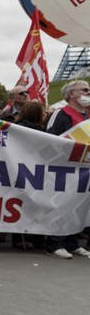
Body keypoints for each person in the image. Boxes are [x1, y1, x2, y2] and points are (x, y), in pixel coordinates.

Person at [44, 81, 90, 259]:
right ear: (71, 94)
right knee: (62, 205)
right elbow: (50, 140)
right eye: (85, 90)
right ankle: (55, 243)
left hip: (82, 171)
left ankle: (72, 243)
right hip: (63, 169)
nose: (89, 92)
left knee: (77, 207)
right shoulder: (61, 113)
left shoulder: (85, 117)